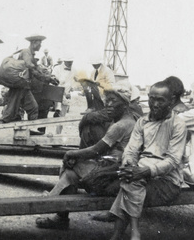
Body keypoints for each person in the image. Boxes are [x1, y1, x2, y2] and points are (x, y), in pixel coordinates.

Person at [35, 85, 137, 229]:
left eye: (113, 101)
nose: (108, 104)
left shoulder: (121, 125)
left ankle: (56, 208)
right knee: (71, 172)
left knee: (72, 163)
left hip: (112, 178)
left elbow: (96, 150)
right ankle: (58, 211)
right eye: (107, 100)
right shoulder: (129, 120)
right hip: (116, 174)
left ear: (125, 104)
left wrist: (71, 153)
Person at [108, 81, 187, 240]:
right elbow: (131, 149)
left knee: (130, 182)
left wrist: (144, 171)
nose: (155, 104)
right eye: (152, 99)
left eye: (160, 100)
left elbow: (172, 161)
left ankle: (131, 233)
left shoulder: (178, 125)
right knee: (130, 177)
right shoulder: (142, 122)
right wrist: (129, 163)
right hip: (141, 175)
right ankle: (124, 235)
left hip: (167, 181)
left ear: (171, 101)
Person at [1, 34, 51, 123]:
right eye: (39, 43)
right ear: (34, 43)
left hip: (24, 86)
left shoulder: (31, 55)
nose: (40, 46)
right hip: (19, 86)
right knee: (11, 111)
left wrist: (48, 78)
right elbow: (31, 67)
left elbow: (36, 69)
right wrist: (45, 77)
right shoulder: (26, 52)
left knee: (33, 108)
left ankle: (31, 128)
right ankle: (0, 129)